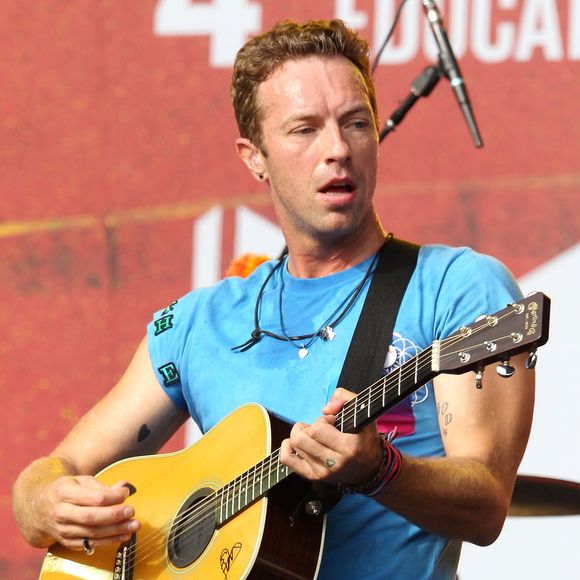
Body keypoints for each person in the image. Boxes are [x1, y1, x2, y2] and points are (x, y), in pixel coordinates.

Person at [13, 19, 534, 579]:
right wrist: (40, 502)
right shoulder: (198, 321)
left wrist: (379, 470)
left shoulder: (458, 287)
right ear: (253, 156)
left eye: (355, 123)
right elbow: (55, 470)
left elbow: (486, 508)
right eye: (304, 129)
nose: (337, 149)